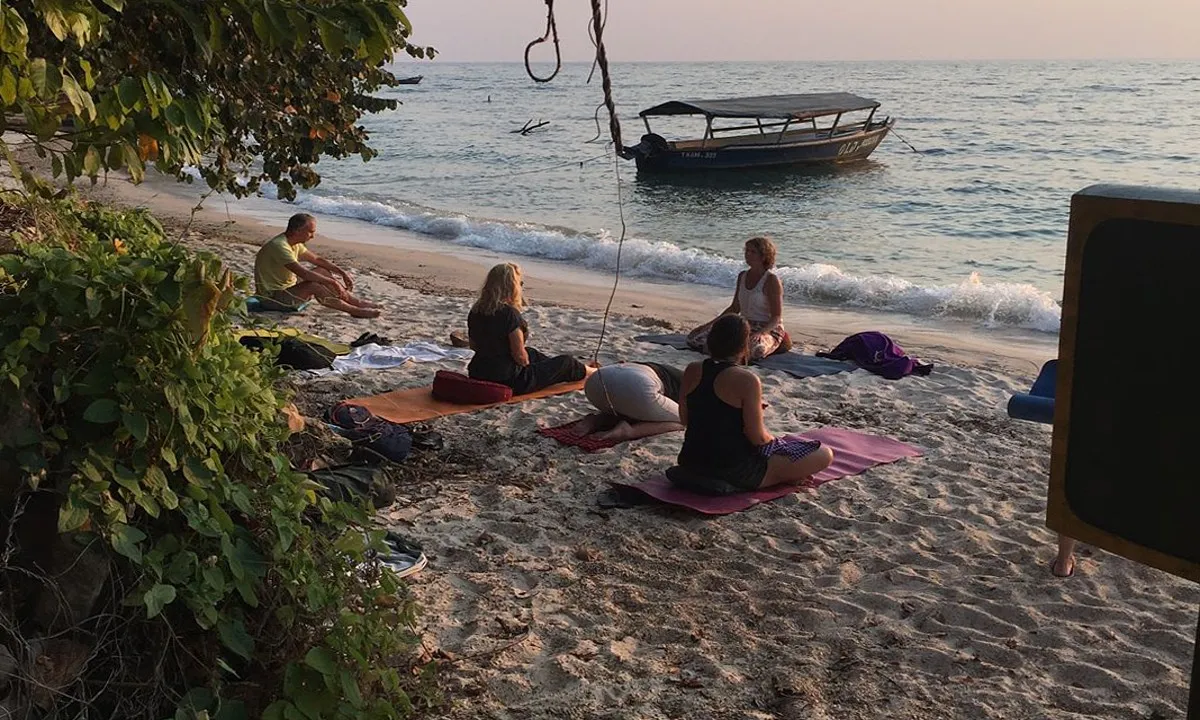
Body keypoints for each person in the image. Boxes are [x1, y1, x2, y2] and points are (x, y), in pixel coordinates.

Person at [669, 314, 833, 494]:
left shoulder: (692, 369)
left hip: (691, 460)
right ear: (743, 346)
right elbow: (758, 438)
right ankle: (782, 477)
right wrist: (774, 441)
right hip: (734, 469)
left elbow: (685, 419)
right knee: (824, 454)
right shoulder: (747, 380)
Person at [467, 263, 587, 394]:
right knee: (567, 362)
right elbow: (520, 357)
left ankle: (580, 368)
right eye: (520, 283)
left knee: (532, 353)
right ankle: (592, 372)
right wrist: (529, 368)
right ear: (511, 286)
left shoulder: (476, 310)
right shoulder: (509, 314)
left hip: (478, 373)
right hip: (508, 380)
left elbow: (473, 346)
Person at [254, 213, 382, 318]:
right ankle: (354, 310)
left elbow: (317, 259)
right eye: (310, 232)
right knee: (313, 285)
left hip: (288, 288)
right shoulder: (279, 246)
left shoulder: (294, 243)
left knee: (322, 270)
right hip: (272, 298)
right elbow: (304, 273)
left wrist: (341, 272)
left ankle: (355, 302)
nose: (313, 236)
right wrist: (333, 282)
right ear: (298, 231)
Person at [687, 236, 786, 360]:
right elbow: (734, 308)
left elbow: (776, 317)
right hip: (743, 325)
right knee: (695, 339)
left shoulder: (771, 280)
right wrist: (710, 325)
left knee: (755, 349)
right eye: (747, 251)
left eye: (753, 252)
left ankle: (777, 343)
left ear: (764, 255)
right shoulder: (742, 276)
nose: (747, 254)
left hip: (767, 327)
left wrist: (761, 333)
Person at [566, 362, 686, 442]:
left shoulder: (676, 373)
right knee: (684, 421)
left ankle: (596, 420)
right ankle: (629, 431)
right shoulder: (692, 382)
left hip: (597, 380)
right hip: (639, 385)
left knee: (627, 407)